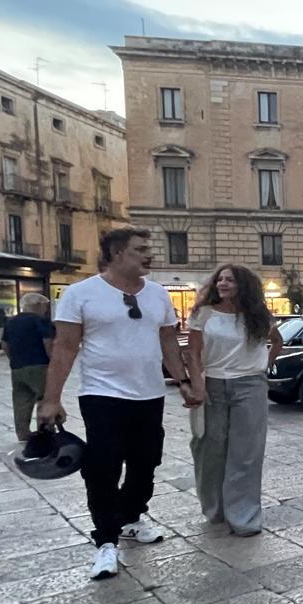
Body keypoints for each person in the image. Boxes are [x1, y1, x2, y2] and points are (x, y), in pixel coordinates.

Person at [39, 227, 199, 580]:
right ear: (115, 253)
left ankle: (130, 518)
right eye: (140, 249)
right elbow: (64, 348)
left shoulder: (158, 295)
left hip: (150, 394)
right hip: (102, 395)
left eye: (148, 248)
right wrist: (51, 399)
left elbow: (168, 342)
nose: (149, 254)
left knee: (146, 463)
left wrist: (183, 380)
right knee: (104, 468)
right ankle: (106, 540)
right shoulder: (81, 294)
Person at [186, 264, 282, 537]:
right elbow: (192, 354)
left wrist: (262, 366)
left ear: (243, 285)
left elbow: (277, 341)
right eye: (220, 279)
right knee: (209, 449)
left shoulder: (258, 315)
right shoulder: (203, 314)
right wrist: (197, 384)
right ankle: (215, 509)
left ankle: (244, 516)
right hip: (213, 384)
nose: (222, 283)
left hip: (250, 385)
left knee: (247, 453)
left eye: (229, 280)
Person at [2, 292, 55, 442]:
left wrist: (14, 359)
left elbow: (5, 345)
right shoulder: (40, 321)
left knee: (21, 401)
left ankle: (23, 433)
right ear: (37, 305)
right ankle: (46, 432)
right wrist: (54, 361)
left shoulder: (11, 322)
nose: (46, 310)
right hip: (39, 365)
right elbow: (48, 343)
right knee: (45, 398)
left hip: (17, 367)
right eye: (45, 306)